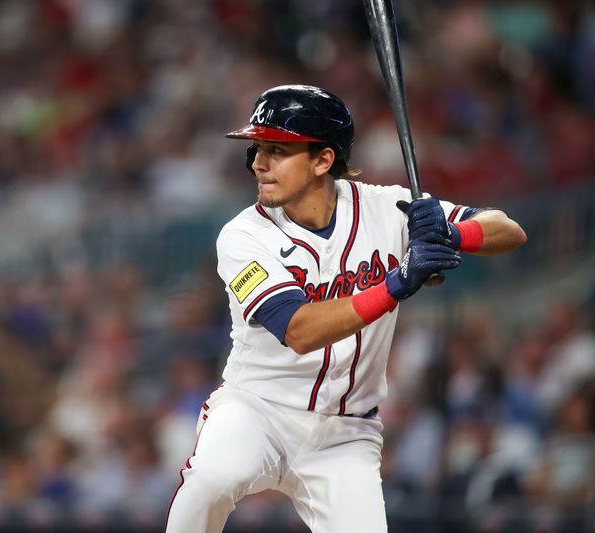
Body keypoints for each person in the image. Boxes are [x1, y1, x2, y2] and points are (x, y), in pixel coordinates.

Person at [164, 85, 527, 532]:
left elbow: (510, 230)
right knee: (211, 482)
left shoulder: (385, 208)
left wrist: (454, 236)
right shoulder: (242, 236)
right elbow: (298, 330)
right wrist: (396, 284)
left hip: (346, 432)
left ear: (323, 160)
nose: (258, 163)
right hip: (258, 410)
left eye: (277, 150)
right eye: (258, 149)